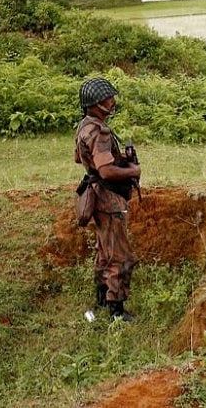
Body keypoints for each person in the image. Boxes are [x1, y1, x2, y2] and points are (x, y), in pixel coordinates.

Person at [74, 77, 142, 323]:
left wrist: (118, 157)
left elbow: (84, 160)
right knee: (120, 256)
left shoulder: (84, 126)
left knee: (104, 252)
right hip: (108, 199)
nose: (112, 102)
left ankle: (101, 303)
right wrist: (132, 171)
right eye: (108, 99)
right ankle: (117, 312)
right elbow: (106, 171)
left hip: (96, 195)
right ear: (96, 104)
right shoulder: (99, 131)